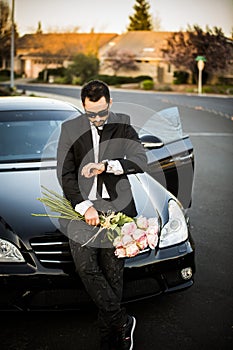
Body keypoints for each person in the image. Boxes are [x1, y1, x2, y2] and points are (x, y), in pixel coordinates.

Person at [57, 80, 147, 350]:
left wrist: (108, 165)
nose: (96, 118)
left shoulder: (124, 125)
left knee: (113, 274)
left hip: (117, 209)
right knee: (86, 267)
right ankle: (122, 319)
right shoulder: (70, 129)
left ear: (110, 103)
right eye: (90, 113)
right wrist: (85, 207)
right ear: (83, 106)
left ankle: (112, 339)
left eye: (101, 112)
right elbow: (65, 173)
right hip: (83, 208)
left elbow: (140, 161)